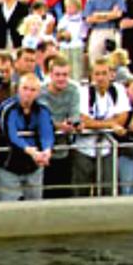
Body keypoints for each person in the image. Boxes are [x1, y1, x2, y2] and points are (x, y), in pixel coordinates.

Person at [71, 57, 127, 196]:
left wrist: (101, 124)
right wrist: (111, 124)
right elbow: (84, 120)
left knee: (108, 189)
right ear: (91, 75)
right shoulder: (83, 92)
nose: (100, 78)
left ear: (111, 74)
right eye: (97, 74)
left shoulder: (118, 90)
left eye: (104, 73)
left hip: (107, 148)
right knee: (80, 190)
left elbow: (122, 118)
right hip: (84, 148)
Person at [0, 73, 53, 201]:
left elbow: (46, 133)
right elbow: (11, 135)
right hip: (9, 166)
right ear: (18, 89)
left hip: (34, 166)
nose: (28, 93)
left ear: (38, 92)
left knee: (35, 207)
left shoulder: (43, 109)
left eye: (33, 90)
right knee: (9, 209)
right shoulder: (7, 109)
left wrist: (47, 151)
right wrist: (31, 151)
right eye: (25, 88)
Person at [35, 56, 80, 198]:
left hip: (65, 149)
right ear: (50, 74)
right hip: (42, 150)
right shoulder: (40, 91)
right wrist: (59, 125)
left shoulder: (73, 90)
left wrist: (74, 124)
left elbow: (75, 115)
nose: (61, 79)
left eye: (65, 75)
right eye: (57, 75)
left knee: (65, 192)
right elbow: (42, 120)